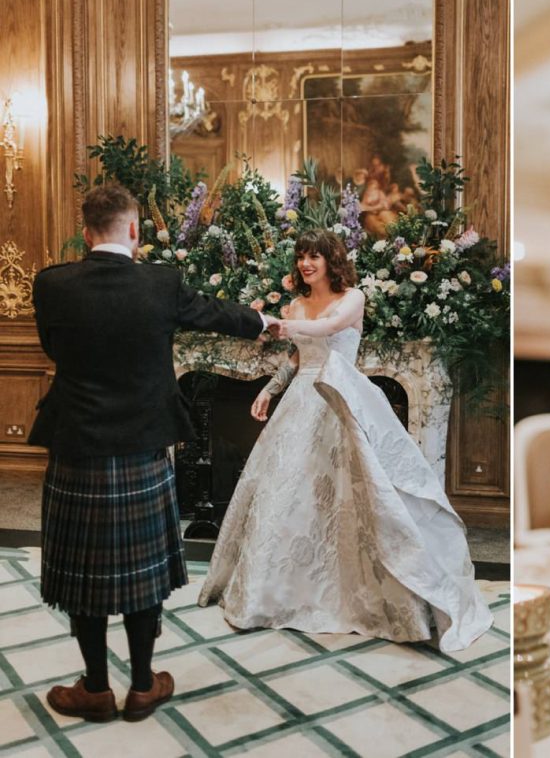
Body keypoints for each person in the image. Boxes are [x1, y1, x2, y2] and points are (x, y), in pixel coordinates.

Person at [29, 184, 279, 722]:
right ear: (135, 229)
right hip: (142, 447)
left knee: (83, 575)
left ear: (86, 228)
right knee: (142, 573)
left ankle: (95, 688)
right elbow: (213, 313)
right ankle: (143, 685)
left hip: (78, 445)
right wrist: (262, 321)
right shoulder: (160, 284)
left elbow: (53, 348)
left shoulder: (51, 285)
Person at [198, 229, 492, 652]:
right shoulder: (296, 303)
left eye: (314, 255)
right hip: (300, 401)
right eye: (301, 256)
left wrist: (277, 323)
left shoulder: (352, 297)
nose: (306, 263)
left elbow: (331, 327)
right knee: (285, 493)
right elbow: (297, 357)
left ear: (331, 260)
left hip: (341, 400)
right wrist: (268, 389)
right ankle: (275, 594)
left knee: (354, 495)